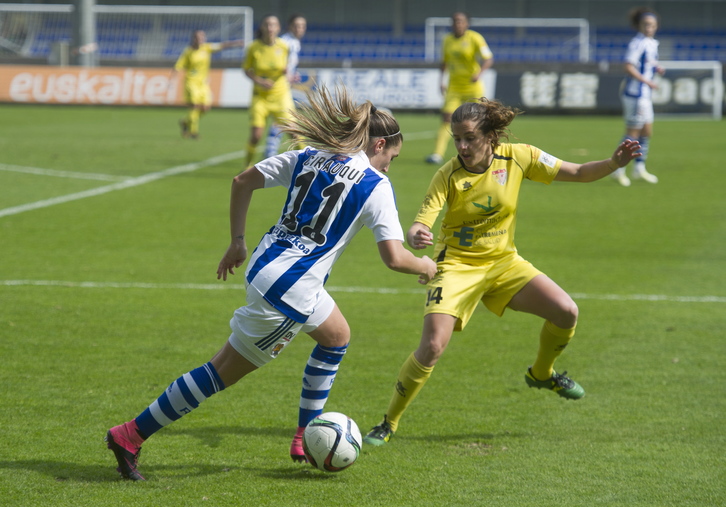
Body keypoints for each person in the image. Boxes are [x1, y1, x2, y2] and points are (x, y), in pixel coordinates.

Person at [104, 84, 437, 480]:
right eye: (391, 157)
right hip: (290, 291)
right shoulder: (374, 185)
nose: (389, 167)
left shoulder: (308, 156)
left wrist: (237, 243)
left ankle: (304, 434)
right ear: (379, 143)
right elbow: (394, 258)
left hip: (268, 266)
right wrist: (426, 267)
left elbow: (242, 181)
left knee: (336, 337)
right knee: (220, 371)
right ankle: (130, 434)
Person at [363, 98, 642, 446]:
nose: (462, 147)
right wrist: (417, 232)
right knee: (433, 346)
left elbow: (579, 173)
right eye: (456, 139)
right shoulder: (447, 174)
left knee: (566, 311)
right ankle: (389, 422)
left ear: (491, 136)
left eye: (469, 138)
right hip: (456, 267)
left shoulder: (519, 156)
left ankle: (542, 374)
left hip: (503, 263)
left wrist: (614, 163)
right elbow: (422, 221)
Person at [425, 12, 494, 165]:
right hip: (454, 87)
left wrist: (479, 73)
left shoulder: (475, 38)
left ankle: (486, 149)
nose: (458, 24)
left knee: (480, 120)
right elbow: (444, 63)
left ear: (467, 24)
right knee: (446, 118)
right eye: (455, 21)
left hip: (472, 86)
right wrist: (441, 81)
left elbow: (488, 58)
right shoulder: (447, 40)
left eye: (461, 21)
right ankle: (437, 154)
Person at [611, 7, 664, 186]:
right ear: (639, 25)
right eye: (646, 24)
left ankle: (639, 168)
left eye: (653, 25)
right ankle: (617, 168)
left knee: (646, 131)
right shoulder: (637, 43)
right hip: (635, 94)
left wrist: (656, 68)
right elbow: (628, 66)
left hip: (644, 95)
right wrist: (647, 81)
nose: (650, 27)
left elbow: (647, 62)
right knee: (632, 132)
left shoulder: (651, 43)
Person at [242, 14, 297, 168]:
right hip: (260, 96)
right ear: (262, 27)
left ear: (278, 28)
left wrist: (290, 75)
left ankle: (308, 166)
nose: (270, 28)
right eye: (267, 24)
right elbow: (247, 70)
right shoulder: (253, 47)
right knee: (256, 135)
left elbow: (287, 69)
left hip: (281, 95)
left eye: (273, 25)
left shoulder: (284, 46)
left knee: (294, 133)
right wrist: (260, 81)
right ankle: (247, 165)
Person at [171, 30, 244, 139]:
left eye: (202, 37)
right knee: (194, 106)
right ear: (193, 39)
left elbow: (221, 45)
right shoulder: (188, 52)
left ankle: (185, 122)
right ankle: (193, 132)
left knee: (205, 108)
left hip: (203, 84)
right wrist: (173, 77)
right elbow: (179, 65)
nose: (200, 39)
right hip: (191, 83)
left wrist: (235, 43)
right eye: (197, 37)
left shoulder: (207, 48)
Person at [264, 14, 307, 159]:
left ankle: (271, 150)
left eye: (302, 26)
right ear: (290, 27)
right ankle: (304, 155)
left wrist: (292, 75)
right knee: (288, 121)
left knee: (282, 121)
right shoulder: (286, 42)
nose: (299, 29)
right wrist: (287, 75)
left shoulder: (294, 42)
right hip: (278, 87)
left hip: (284, 86)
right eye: (296, 25)